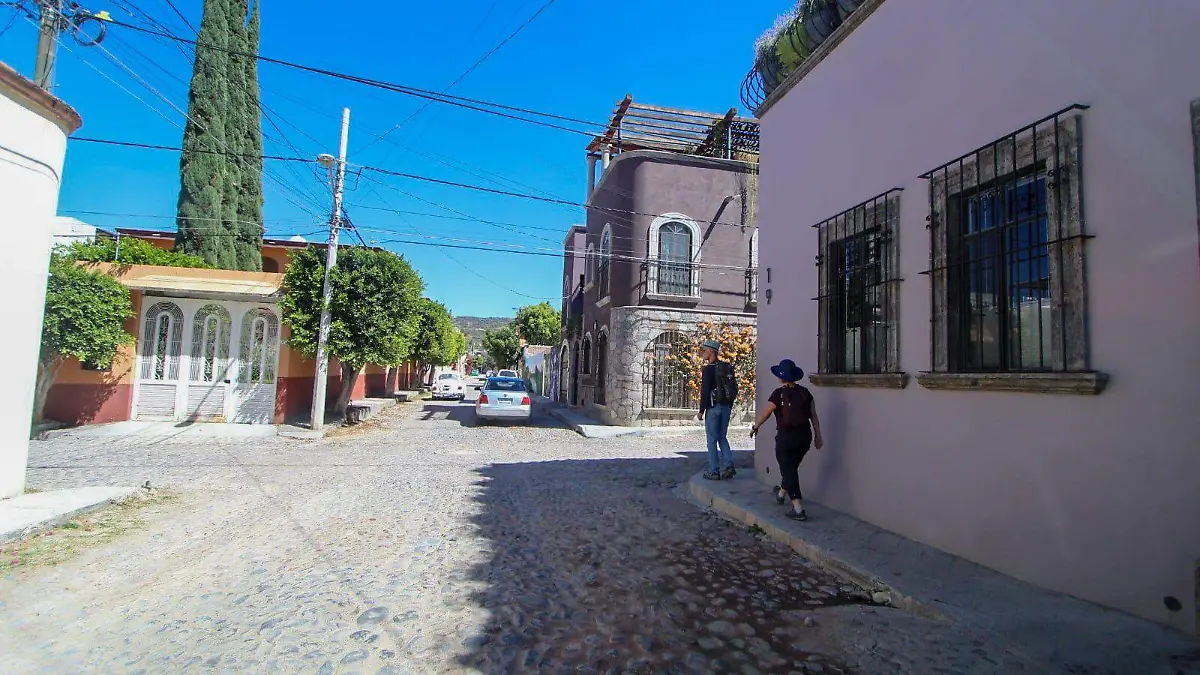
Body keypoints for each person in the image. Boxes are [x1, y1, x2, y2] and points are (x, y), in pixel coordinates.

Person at [750, 359, 823, 521]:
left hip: (786, 437)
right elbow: (814, 416)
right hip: (805, 436)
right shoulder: (805, 393)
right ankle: (782, 493)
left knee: (789, 470)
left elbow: (766, 412)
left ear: (782, 377)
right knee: (791, 468)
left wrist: (756, 426)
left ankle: (798, 509)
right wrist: (818, 435)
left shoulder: (778, 394)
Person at [697, 338, 737, 480]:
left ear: (710, 351)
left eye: (704, 350)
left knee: (712, 440)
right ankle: (728, 465)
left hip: (713, 408)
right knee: (722, 437)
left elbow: (705, 391)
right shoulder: (727, 367)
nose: (702, 353)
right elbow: (734, 389)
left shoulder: (708, 370)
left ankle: (714, 471)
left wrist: (701, 410)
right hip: (726, 407)